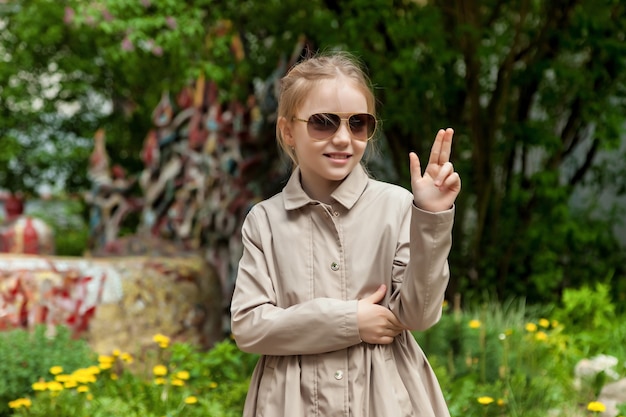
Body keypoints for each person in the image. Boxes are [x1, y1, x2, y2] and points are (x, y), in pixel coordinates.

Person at [230, 51, 461, 417]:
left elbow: (419, 314)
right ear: (288, 130)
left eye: (358, 123)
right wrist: (350, 321)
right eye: (323, 122)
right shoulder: (265, 221)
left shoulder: (398, 206)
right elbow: (248, 326)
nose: (343, 138)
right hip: (290, 403)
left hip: (386, 399)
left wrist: (432, 216)